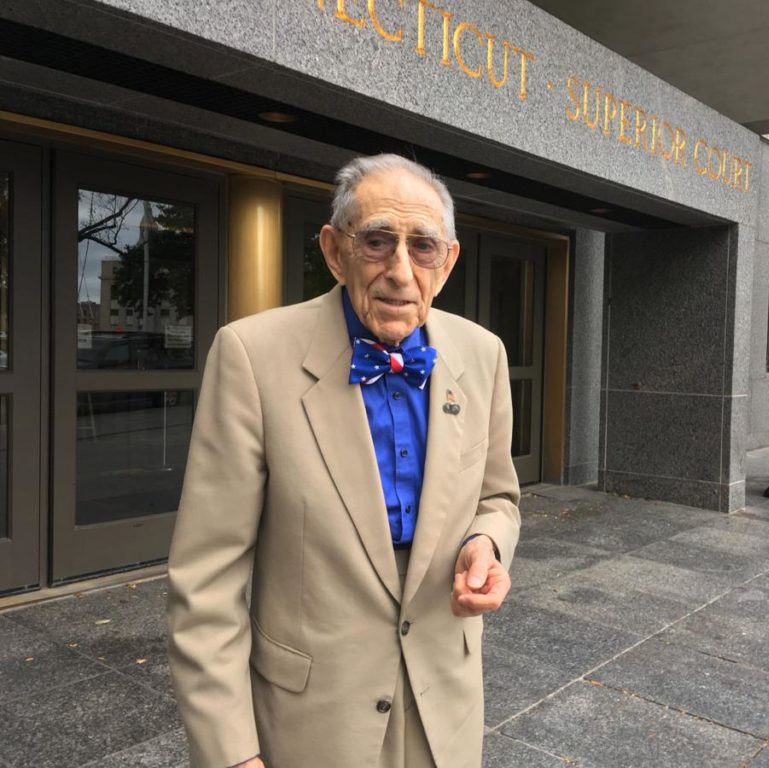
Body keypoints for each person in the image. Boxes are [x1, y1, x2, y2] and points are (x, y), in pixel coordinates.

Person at [166, 154, 521, 768]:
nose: (401, 272)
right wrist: (231, 754)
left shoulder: (482, 353)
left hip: (447, 707)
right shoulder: (252, 355)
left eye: (423, 247)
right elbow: (206, 580)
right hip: (312, 721)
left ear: (448, 261)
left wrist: (485, 543)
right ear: (335, 251)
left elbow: (498, 497)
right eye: (377, 242)